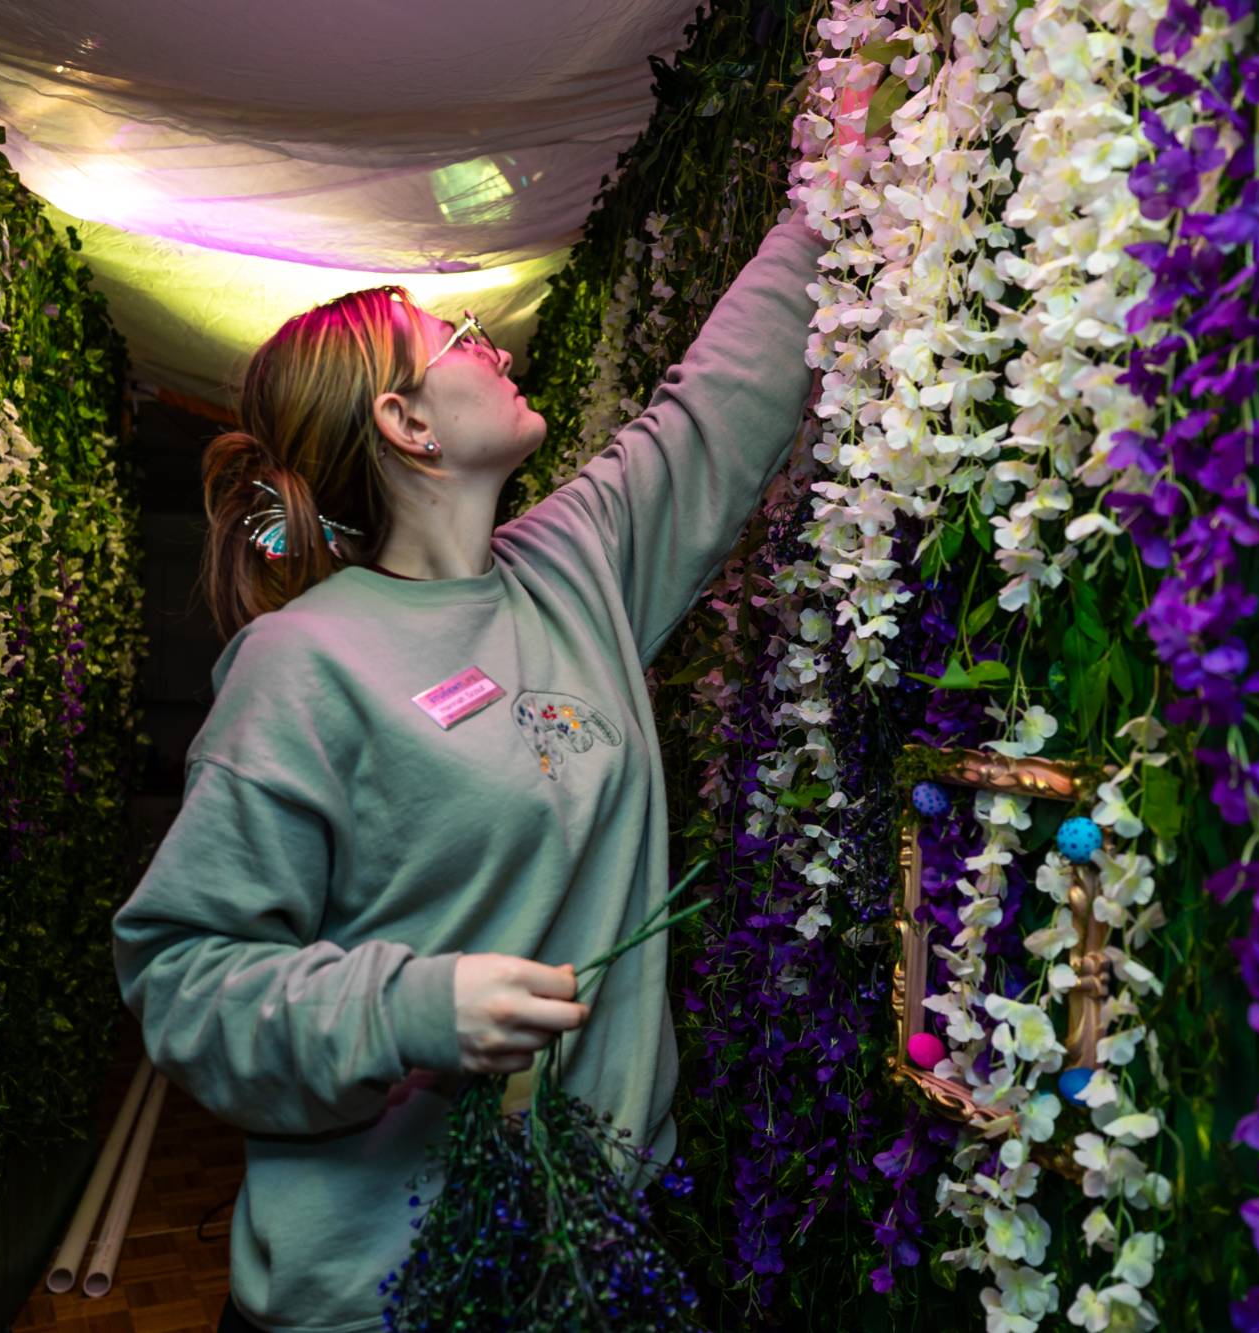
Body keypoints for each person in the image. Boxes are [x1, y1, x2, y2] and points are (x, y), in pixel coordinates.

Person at [109, 210, 827, 1333]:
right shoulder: (305, 663)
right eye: (460, 338)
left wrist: (835, 182)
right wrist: (411, 1007)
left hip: (589, 1258)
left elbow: (717, 408)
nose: (492, 345)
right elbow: (185, 979)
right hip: (378, 1293)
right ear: (405, 421)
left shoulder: (571, 573)